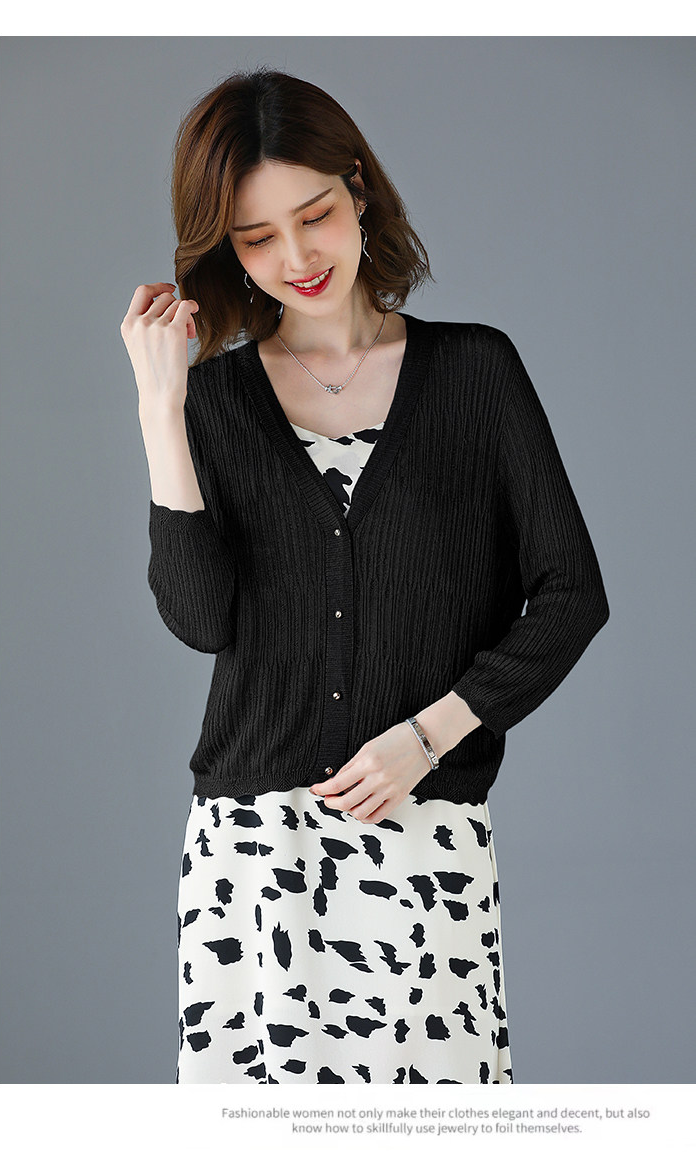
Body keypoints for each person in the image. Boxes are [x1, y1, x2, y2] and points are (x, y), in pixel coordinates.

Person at [119, 68, 609, 1085]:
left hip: (423, 830)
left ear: (357, 187)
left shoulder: (475, 373)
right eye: (257, 238)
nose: (297, 258)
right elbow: (201, 621)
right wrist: (160, 411)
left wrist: (429, 736)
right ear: (224, 248)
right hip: (254, 855)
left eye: (314, 216)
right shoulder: (213, 403)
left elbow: (571, 593)